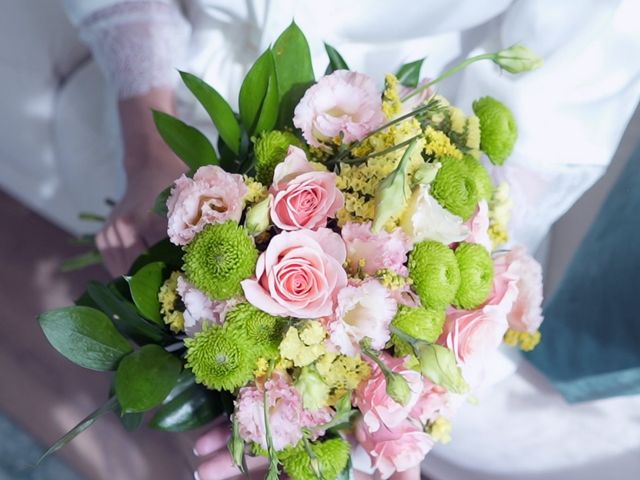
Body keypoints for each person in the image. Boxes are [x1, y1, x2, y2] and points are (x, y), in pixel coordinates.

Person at [1, 0, 639, 479]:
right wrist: (146, 150)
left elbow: (570, 75)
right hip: (189, 71)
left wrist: (453, 227)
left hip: (415, 134)